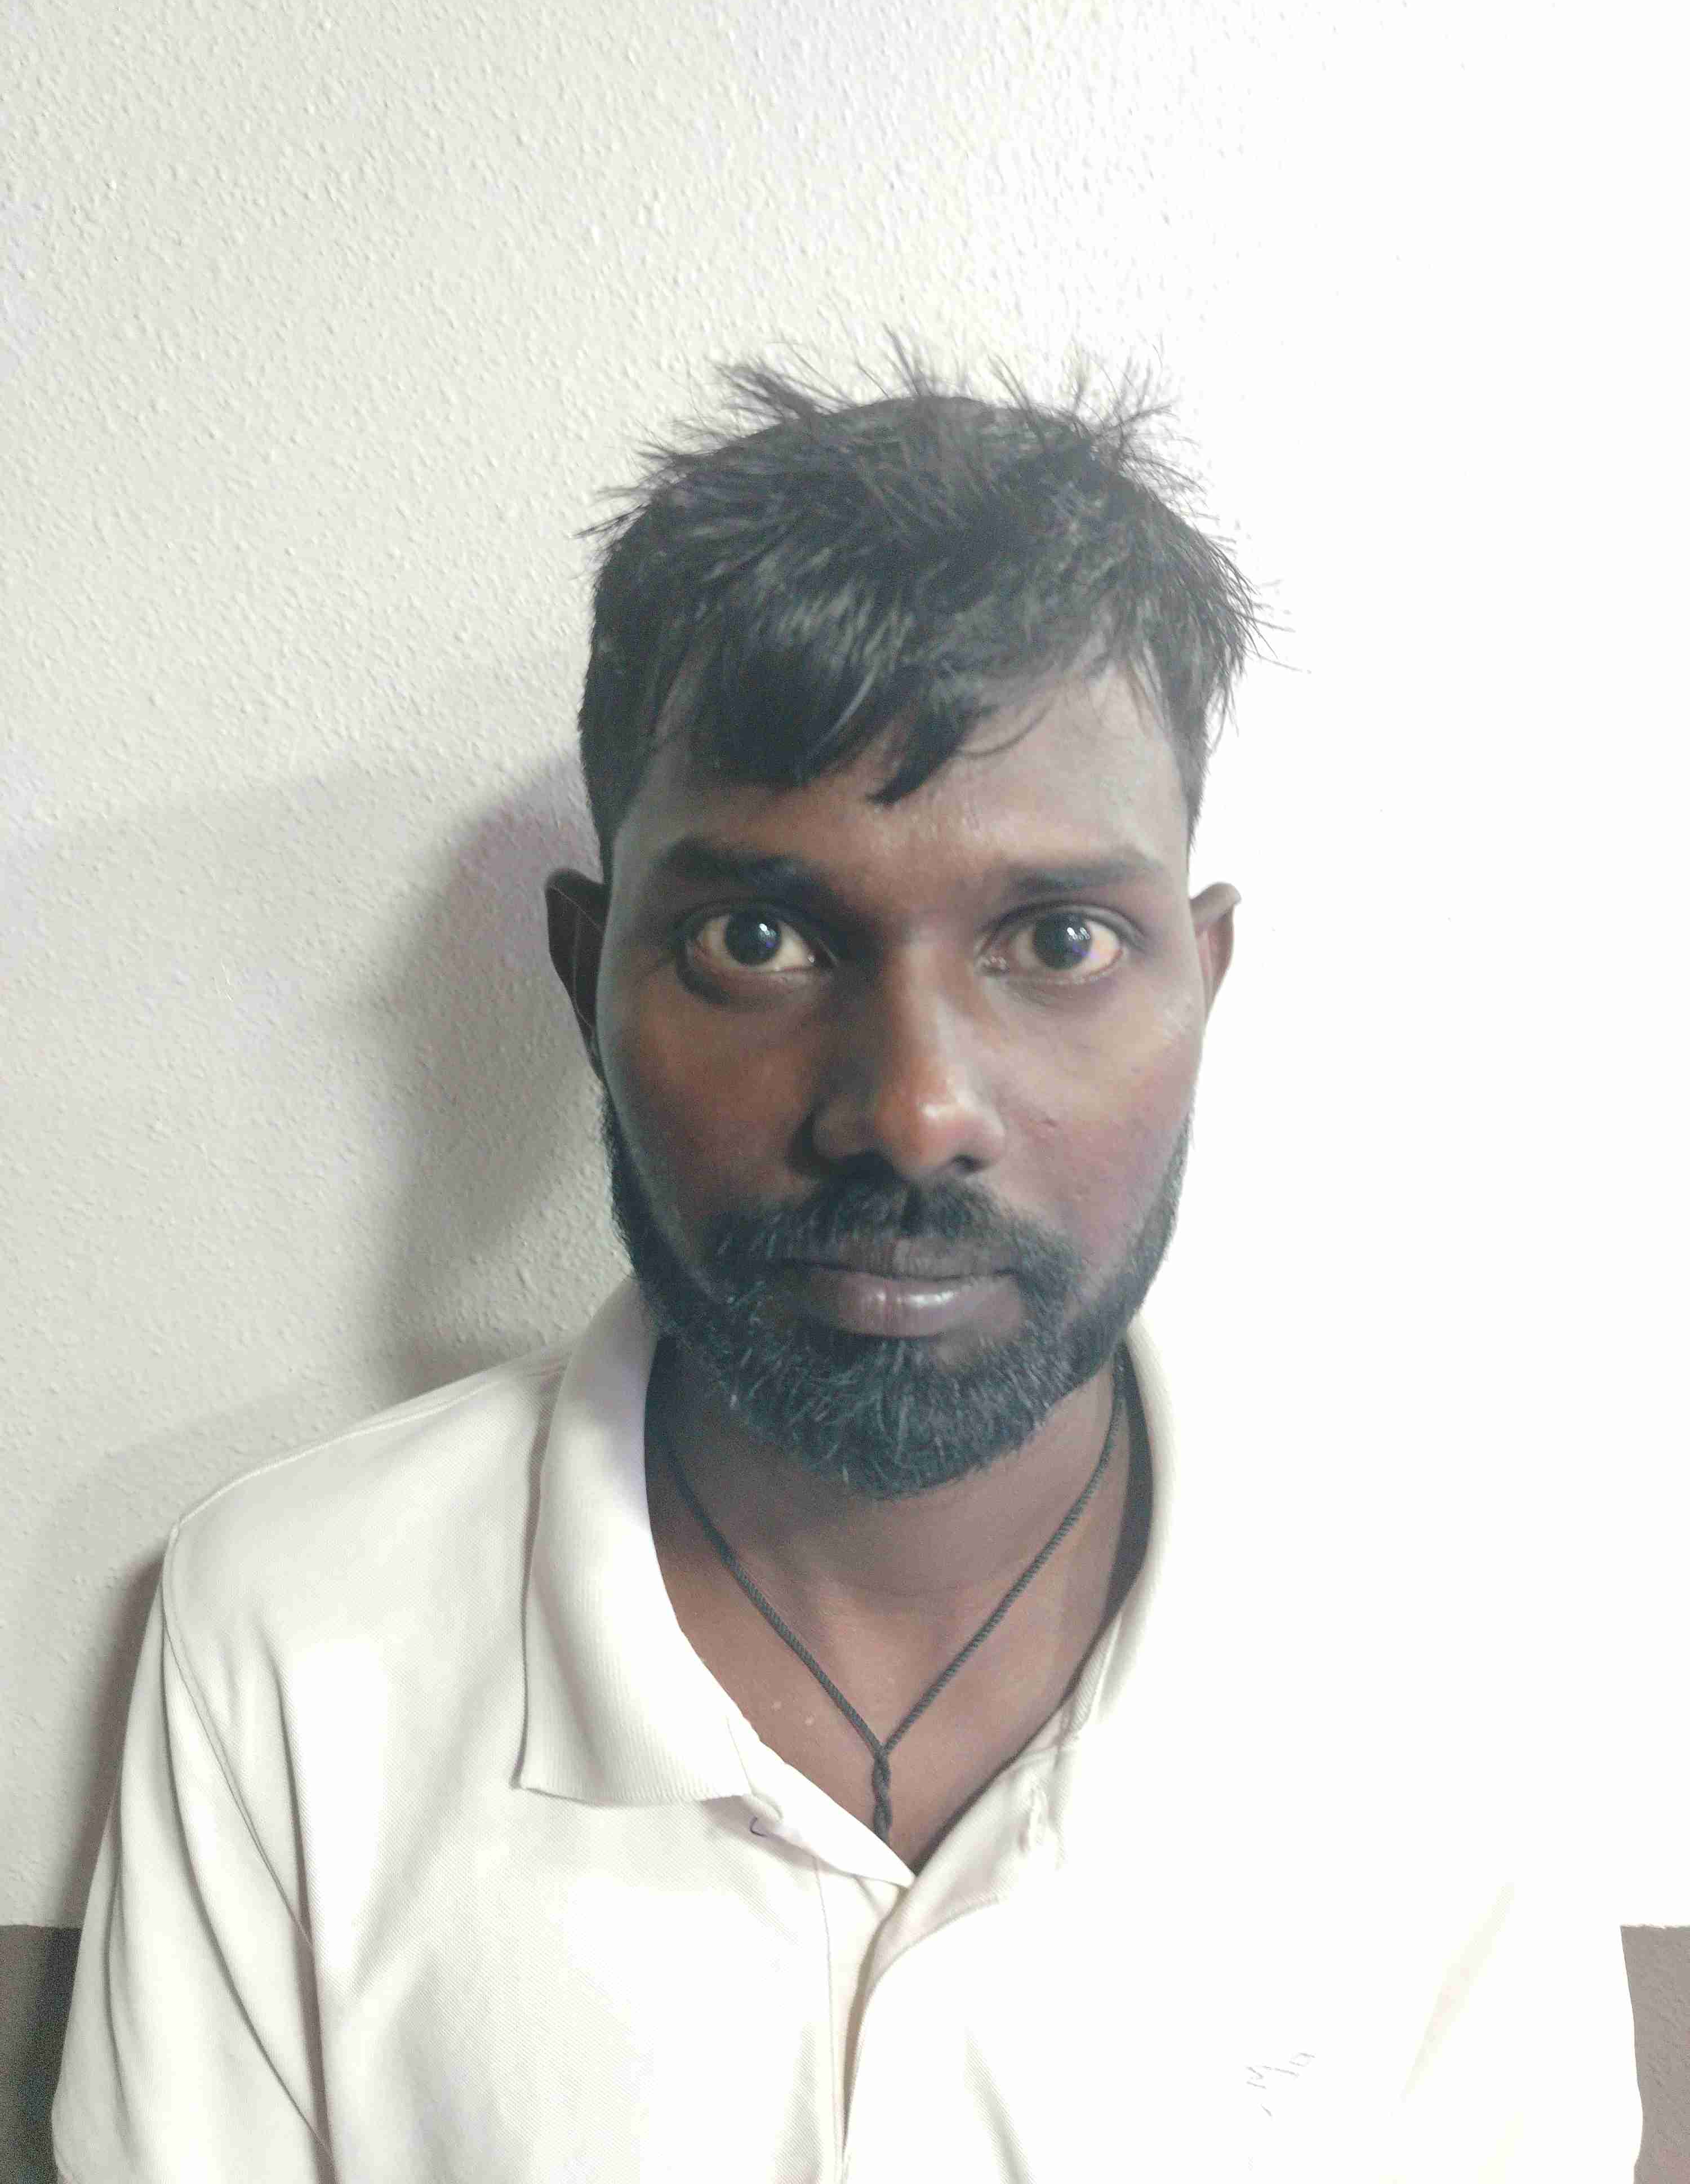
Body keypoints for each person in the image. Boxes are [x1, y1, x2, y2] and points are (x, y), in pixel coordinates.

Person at [52, 361, 1640, 2179]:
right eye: (758, 937)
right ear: (586, 977)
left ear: (1202, 982)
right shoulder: (299, 1632)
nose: (910, 1112)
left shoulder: (1444, 1660)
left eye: (1059, 940)